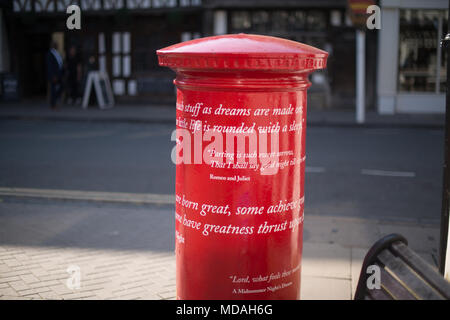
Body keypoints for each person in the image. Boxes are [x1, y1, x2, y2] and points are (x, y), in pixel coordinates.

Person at [46, 42, 64, 110]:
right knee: (53, 90)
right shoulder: (50, 54)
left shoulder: (56, 53)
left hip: (59, 75)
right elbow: (50, 66)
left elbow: (59, 63)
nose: (57, 46)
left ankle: (55, 100)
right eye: (55, 45)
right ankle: (53, 104)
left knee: (62, 86)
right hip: (54, 75)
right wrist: (53, 75)